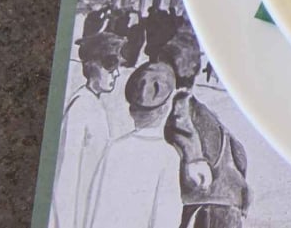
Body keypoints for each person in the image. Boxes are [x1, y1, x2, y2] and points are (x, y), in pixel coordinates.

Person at [157, 31, 250, 226]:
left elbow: (184, 136)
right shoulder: (202, 109)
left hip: (206, 208)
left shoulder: (178, 106)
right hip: (230, 203)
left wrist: (194, 159)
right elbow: (238, 151)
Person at [84, 62, 184, 228]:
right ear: (166, 108)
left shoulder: (114, 149)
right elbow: (167, 221)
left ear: (131, 111)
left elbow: (93, 209)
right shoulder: (168, 156)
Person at [51, 31, 124, 228]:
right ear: (92, 67)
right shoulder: (80, 107)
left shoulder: (94, 104)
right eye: (110, 66)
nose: (116, 73)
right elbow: (65, 176)